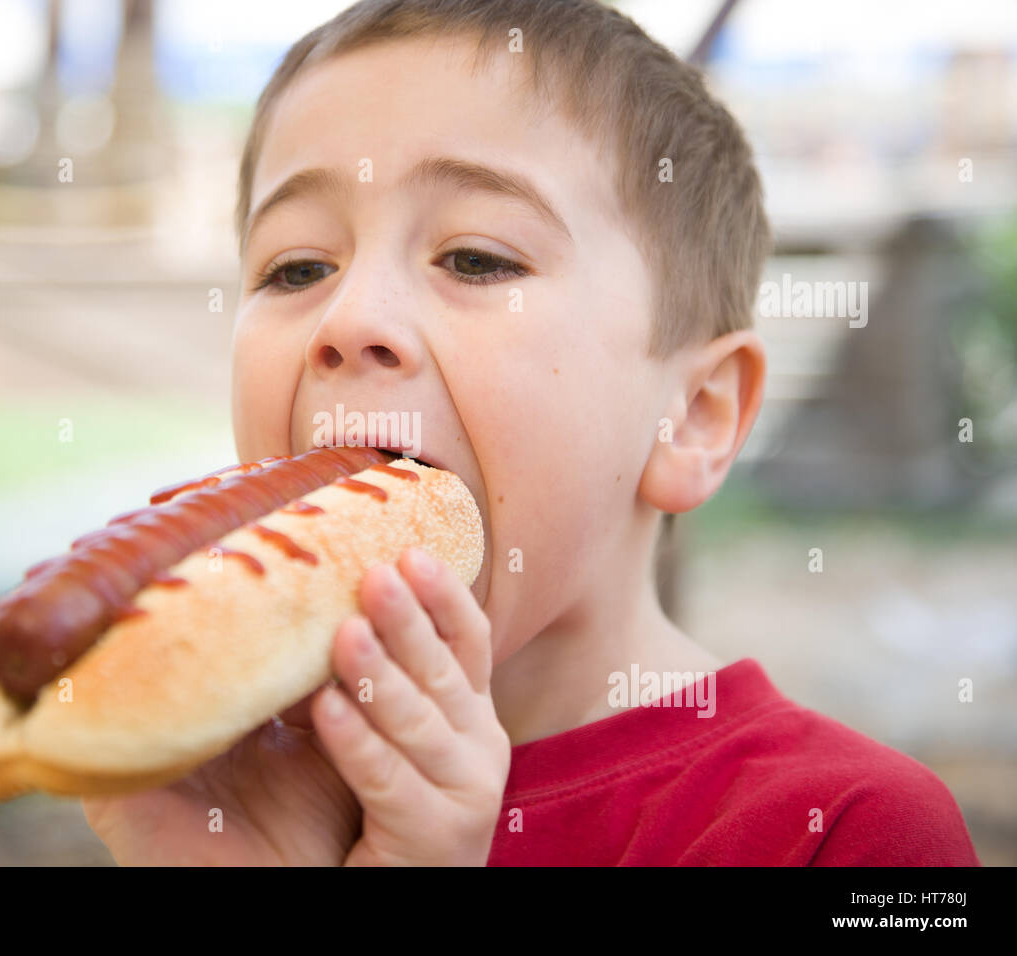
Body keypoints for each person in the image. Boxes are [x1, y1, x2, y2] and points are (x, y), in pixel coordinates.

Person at [82, 0, 980, 866]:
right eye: (297, 266)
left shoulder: (854, 833)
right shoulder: (228, 785)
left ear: (694, 416)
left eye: (475, 258)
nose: (349, 319)